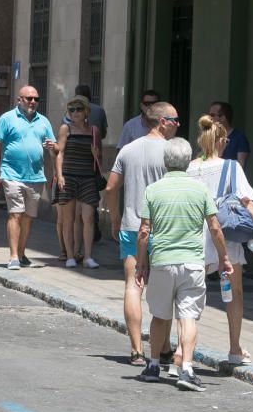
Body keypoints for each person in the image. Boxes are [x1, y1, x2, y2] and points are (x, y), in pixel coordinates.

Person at [136, 138, 233, 392]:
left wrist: (141, 264)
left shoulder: (153, 190)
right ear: (188, 160)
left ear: (165, 162)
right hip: (191, 262)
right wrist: (224, 258)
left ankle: (154, 365)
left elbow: (144, 231)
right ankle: (187, 368)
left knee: (159, 315)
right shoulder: (199, 190)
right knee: (188, 316)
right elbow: (214, 227)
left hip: (162, 262)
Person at [187, 115, 253, 365]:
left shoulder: (189, 168)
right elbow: (247, 201)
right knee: (234, 293)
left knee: (189, 295)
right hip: (224, 236)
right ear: (221, 140)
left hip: (194, 236)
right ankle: (234, 348)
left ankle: (184, 348)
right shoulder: (231, 167)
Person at [105, 101, 179, 365]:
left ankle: (136, 349)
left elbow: (111, 188)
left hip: (132, 226)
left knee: (133, 285)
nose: (178, 124)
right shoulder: (173, 152)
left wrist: (115, 217)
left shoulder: (128, 149)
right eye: (174, 119)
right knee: (166, 289)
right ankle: (164, 347)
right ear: (161, 121)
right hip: (165, 230)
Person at [0, 85, 56, 270]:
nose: (33, 102)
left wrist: (54, 158)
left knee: (28, 217)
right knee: (15, 214)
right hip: (11, 174)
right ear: (19, 100)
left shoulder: (44, 122)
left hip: (36, 177)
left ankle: (22, 252)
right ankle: (13, 256)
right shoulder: (7, 119)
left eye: (36, 99)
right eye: (28, 98)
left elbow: (55, 150)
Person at [55, 95, 102, 269]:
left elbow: (99, 157)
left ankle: (88, 256)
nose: (75, 113)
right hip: (69, 176)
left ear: (86, 112)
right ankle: (70, 256)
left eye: (78, 109)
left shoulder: (94, 130)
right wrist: (59, 175)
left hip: (88, 177)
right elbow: (59, 153)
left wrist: (96, 154)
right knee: (69, 218)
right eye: (71, 109)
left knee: (88, 217)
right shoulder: (65, 129)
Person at [209, 101, 250, 167]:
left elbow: (240, 167)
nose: (209, 118)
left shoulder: (239, 138)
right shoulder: (209, 137)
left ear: (223, 117)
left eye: (212, 115)